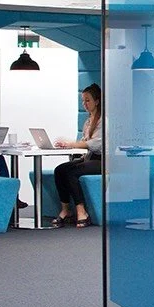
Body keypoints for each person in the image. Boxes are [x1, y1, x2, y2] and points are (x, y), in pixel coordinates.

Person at [52, 83, 103, 228]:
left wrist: (71, 144)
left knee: (72, 172)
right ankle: (66, 210)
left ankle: (82, 212)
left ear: (97, 101)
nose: (84, 104)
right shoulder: (88, 122)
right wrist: (69, 144)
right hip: (89, 158)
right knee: (60, 169)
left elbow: (96, 144)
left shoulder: (103, 121)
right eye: (83, 100)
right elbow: (85, 142)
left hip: (103, 161)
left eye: (88, 100)